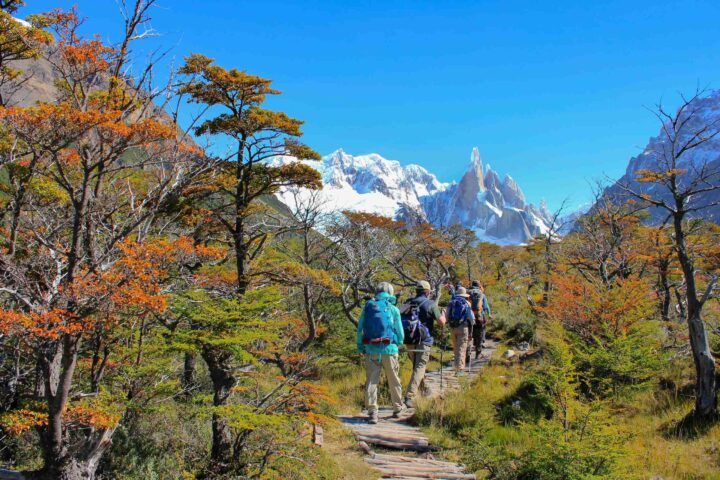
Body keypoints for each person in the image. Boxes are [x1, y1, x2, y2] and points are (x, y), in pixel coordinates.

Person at [356, 282, 405, 424]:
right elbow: (400, 332)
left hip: (371, 349)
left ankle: (372, 412)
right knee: (394, 379)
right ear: (390, 292)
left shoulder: (368, 307)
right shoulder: (393, 309)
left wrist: (361, 346)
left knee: (372, 381)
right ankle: (397, 409)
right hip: (389, 349)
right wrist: (398, 343)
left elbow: (360, 329)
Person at [400, 280, 444, 409]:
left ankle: (423, 389)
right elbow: (441, 322)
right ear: (427, 292)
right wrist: (444, 316)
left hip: (409, 340)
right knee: (420, 367)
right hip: (424, 341)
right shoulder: (431, 304)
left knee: (416, 367)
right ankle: (410, 396)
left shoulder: (408, 302)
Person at [446, 286, 475, 371]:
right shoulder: (466, 303)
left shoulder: (451, 302)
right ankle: (460, 369)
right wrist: (472, 325)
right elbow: (471, 318)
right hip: (463, 327)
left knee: (455, 348)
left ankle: (456, 366)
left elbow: (447, 316)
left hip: (452, 327)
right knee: (461, 348)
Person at [468, 281, 491, 360]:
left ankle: (467, 356)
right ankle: (478, 353)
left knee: (468, 336)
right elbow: (485, 307)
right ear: (479, 286)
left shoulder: (467, 293)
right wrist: (488, 314)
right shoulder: (482, 294)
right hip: (479, 317)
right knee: (479, 335)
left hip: (468, 318)